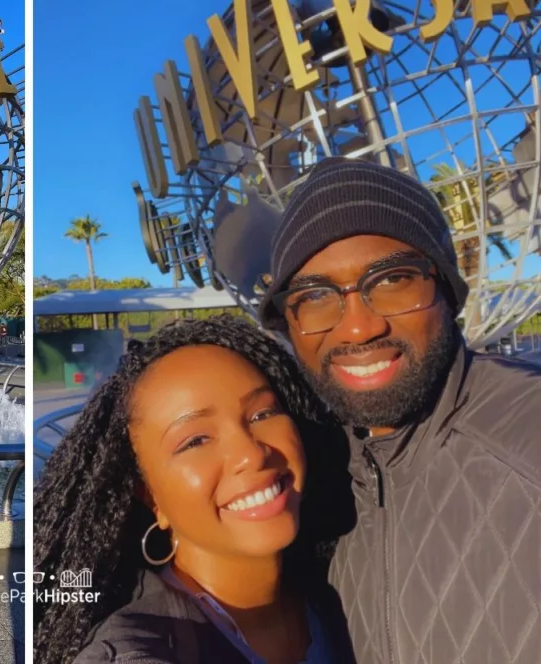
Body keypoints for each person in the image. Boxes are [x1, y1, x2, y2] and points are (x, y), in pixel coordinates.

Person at [258, 157, 541, 664]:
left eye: (392, 281)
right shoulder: (302, 484)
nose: (358, 328)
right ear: (288, 324)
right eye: (316, 296)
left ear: (447, 290)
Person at [34, 316, 355, 664]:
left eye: (262, 414)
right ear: (150, 497)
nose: (251, 454)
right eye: (196, 440)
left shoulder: (340, 595)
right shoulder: (134, 651)